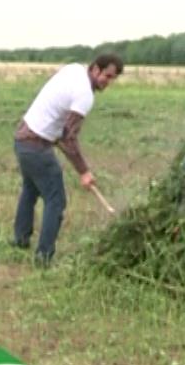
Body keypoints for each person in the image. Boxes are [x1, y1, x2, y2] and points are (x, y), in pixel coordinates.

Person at [11, 55, 123, 265]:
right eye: (107, 76)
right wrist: (84, 171)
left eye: (113, 78)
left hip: (22, 139)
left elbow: (61, 131)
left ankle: (20, 240)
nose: (108, 82)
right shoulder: (85, 95)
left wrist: (56, 137)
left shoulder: (74, 69)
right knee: (56, 200)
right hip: (36, 146)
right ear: (95, 69)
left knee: (30, 189)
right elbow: (68, 138)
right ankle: (44, 257)